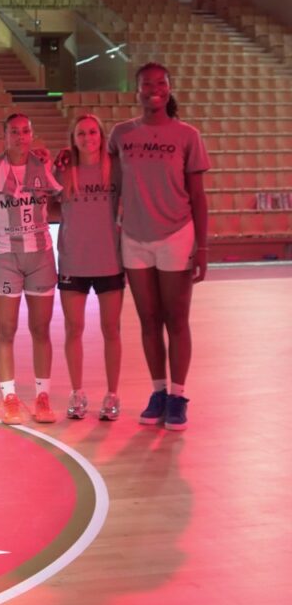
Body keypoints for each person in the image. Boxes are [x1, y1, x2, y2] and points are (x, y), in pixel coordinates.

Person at [109, 62, 209, 431]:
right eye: (147, 84)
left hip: (176, 236)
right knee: (148, 320)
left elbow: (198, 197)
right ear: (135, 90)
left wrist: (203, 248)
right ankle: (159, 392)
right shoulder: (120, 135)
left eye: (161, 83)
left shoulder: (188, 135)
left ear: (169, 88)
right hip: (134, 237)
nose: (154, 88)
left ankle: (179, 396)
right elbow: (108, 182)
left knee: (176, 319)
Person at [0, 113, 62, 425]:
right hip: (5, 256)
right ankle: (9, 397)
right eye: (14, 131)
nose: (20, 137)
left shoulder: (43, 167)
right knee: (7, 329)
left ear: (31, 134)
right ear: (4, 135)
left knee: (41, 329)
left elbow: (62, 196)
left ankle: (43, 395)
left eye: (25, 131)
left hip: (40, 255)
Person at [54, 114, 124, 422]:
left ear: (101, 135)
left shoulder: (116, 168)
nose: (87, 137)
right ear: (74, 138)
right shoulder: (64, 169)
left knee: (111, 329)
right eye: (81, 133)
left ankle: (112, 394)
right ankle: (77, 392)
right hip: (73, 261)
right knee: (74, 329)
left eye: (93, 132)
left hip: (109, 259)